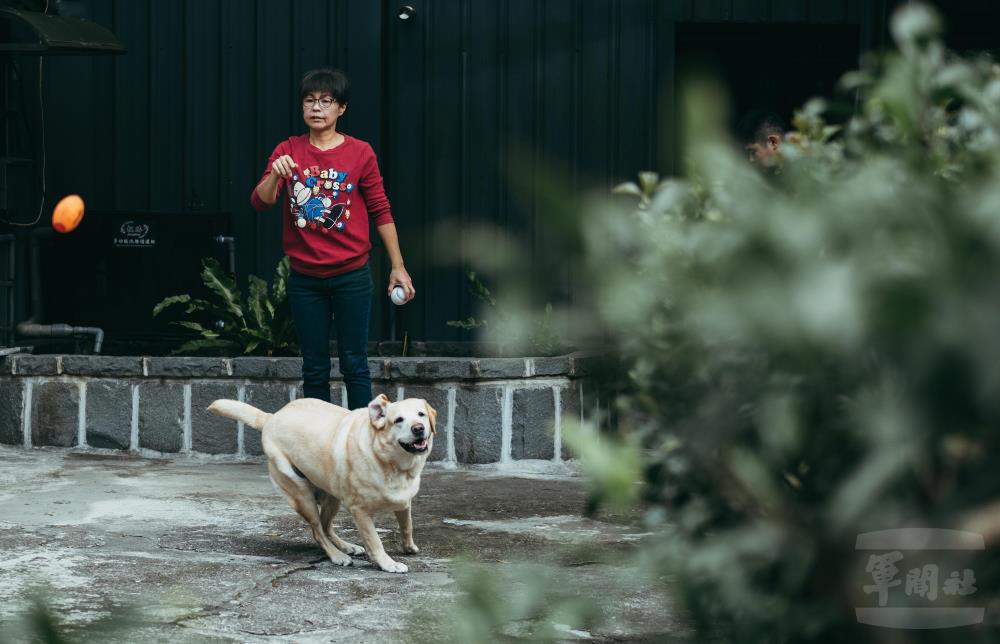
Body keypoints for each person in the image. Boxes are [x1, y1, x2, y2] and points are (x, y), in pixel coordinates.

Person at [251, 68, 414, 409]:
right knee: (314, 367)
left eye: (327, 101)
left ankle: (360, 445)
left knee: (355, 364)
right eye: (310, 101)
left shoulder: (360, 153)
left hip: (351, 275)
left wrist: (398, 266)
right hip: (305, 278)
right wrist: (275, 175)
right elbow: (260, 202)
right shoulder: (288, 150)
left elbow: (381, 210)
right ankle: (318, 447)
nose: (317, 108)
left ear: (342, 109)